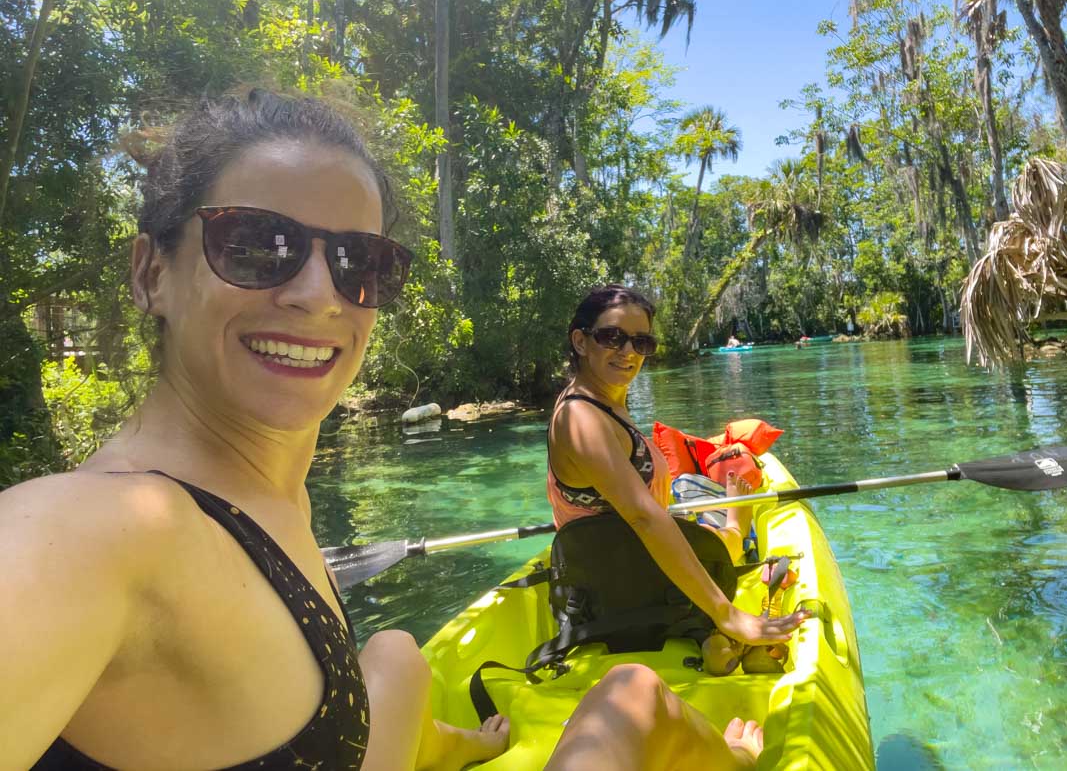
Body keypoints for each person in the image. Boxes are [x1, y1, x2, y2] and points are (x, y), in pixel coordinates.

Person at [0, 90, 509, 770]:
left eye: (360, 262)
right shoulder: (103, 531)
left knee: (396, 656)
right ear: (153, 273)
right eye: (256, 246)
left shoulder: (275, 500)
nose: (318, 294)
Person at [543, 284, 806, 767]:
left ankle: (706, 616)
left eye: (642, 343)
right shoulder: (582, 418)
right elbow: (644, 517)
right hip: (645, 582)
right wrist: (727, 611)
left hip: (604, 588)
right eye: (613, 338)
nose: (628, 352)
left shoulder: (593, 405)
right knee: (727, 524)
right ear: (580, 341)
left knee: (684, 508)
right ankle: (732, 525)